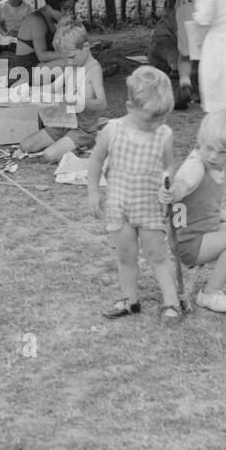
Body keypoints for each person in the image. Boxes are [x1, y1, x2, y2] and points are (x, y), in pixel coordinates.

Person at [87, 65, 182, 323]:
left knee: (157, 256)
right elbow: (95, 161)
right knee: (126, 256)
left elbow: (168, 167)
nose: (158, 124)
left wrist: (167, 186)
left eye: (162, 118)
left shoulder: (164, 134)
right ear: (131, 107)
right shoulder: (113, 130)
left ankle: (171, 303)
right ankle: (130, 299)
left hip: (150, 207)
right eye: (151, 118)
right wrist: (93, 190)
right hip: (120, 207)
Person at [160, 111, 226, 315]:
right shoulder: (195, 167)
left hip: (205, 230)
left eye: (222, 152)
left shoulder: (216, 166)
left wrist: (217, 214)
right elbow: (182, 186)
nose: (214, 156)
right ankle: (209, 293)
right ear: (201, 142)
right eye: (209, 148)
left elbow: (202, 201)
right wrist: (172, 193)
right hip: (188, 243)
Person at [18, 21, 107, 162]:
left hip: (83, 129)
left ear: (86, 47)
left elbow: (102, 104)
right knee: (25, 145)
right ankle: (66, 143)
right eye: (65, 58)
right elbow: (53, 87)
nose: (68, 61)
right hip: (64, 122)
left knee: (49, 156)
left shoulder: (93, 68)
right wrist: (30, 91)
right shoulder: (72, 66)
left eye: (71, 57)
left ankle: (83, 143)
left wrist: (77, 101)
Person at [12, 0, 77, 72]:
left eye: (71, 9)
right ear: (53, 4)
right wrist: (70, 53)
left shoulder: (54, 20)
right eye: (65, 8)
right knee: (71, 62)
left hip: (42, 66)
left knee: (79, 60)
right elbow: (42, 56)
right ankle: (56, 86)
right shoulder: (37, 20)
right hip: (27, 71)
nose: (68, 13)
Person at [172, 0, 210, 110]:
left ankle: (185, 83)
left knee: (185, 56)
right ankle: (204, 93)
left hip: (186, 15)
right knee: (205, 57)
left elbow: (176, 9)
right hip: (205, 17)